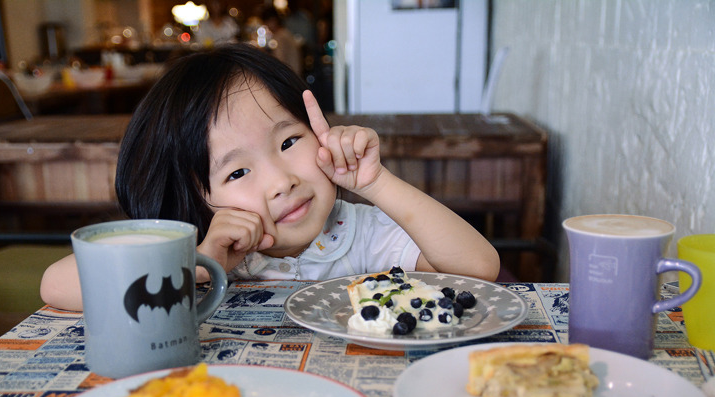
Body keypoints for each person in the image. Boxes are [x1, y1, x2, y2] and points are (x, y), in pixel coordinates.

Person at [40, 44, 499, 311]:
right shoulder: (207, 249)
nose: (281, 181)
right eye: (238, 171)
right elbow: (56, 285)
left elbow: (479, 270)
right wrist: (199, 263)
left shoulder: (359, 234)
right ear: (199, 197)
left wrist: (377, 184)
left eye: (288, 142)